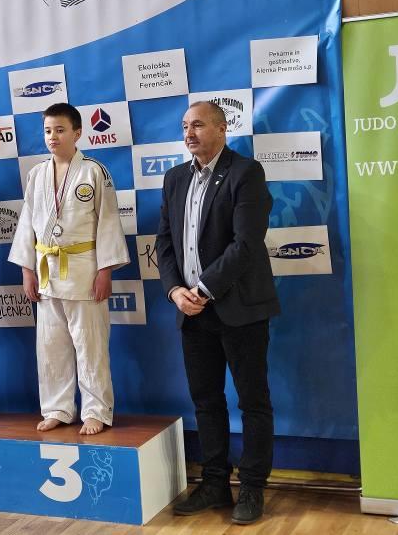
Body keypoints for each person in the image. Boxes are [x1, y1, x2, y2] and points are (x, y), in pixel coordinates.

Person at [155, 100, 280, 525]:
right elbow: (165, 243)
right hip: (191, 311)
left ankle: (252, 487)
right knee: (206, 401)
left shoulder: (246, 172)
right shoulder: (174, 178)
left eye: (198, 125)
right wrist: (175, 290)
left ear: (223, 129)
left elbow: (246, 244)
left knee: (253, 401)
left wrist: (203, 289)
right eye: (184, 127)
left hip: (239, 308)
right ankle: (214, 484)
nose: (189, 133)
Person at [9, 103, 129, 435]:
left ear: (77, 133)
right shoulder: (36, 174)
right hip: (47, 270)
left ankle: (96, 410)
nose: (53, 137)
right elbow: (27, 225)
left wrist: (105, 270)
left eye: (60, 130)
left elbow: (108, 222)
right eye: (48, 131)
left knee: (90, 346)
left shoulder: (94, 171)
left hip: (84, 271)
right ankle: (58, 408)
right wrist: (27, 270)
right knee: (51, 347)